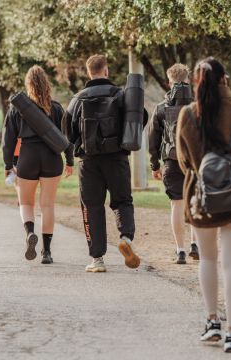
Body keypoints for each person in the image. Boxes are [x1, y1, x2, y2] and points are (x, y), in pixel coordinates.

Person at [62, 54, 147, 272]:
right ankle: (126, 239)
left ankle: (97, 260)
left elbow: (67, 132)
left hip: (89, 162)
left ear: (89, 72)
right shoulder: (120, 94)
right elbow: (140, 117)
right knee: (122, 201)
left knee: (92, 207)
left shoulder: (77, 99)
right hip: (117, 158)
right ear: (106, 71)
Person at [176, 57, 231, 353]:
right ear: (224, 79)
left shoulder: (188, 113)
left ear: (197, 83)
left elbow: (183, 159)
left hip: (201, 198)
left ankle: (212, 321)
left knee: (209, 260)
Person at [2, 65, 74, 264]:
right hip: (52, 158)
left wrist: (8, 164)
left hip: (28, 157)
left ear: (28, 85)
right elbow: (67, 137)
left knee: (26, 203)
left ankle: (30, 233)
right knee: (48, 205)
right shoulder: (57, 108)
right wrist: (69, 160)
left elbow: (8, 140)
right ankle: (47, 252)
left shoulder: (17, 109)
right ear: (46, 84)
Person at [149, 63, 199, 264]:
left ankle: (180, 250)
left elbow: (153, 139)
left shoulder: (161, 108)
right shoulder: (198, 105)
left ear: (170, 81)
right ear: (187, 79)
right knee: (195, 203)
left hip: (171, 160)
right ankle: (195, 244)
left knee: (176, 204)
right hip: (196, 162)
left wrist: (154, 165)